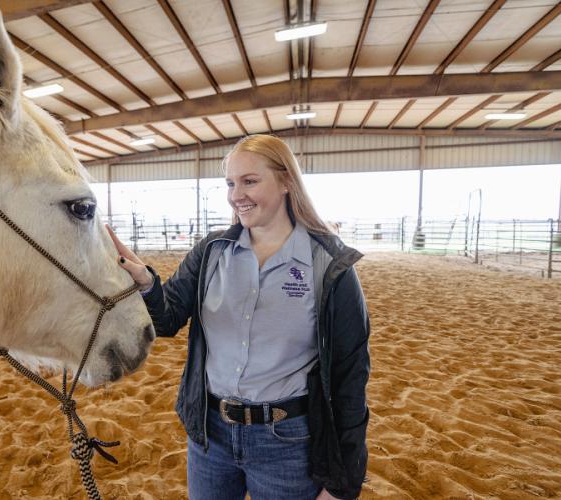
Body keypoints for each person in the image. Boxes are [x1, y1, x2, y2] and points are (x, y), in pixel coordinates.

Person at [107, 134, 370, 500]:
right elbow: (167, 320)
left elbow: (350, 375)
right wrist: (146, 283)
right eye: (230, 183)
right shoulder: (212, 252)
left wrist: (343, 482)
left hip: (288, 442)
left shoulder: (329, 265)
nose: (236, 195)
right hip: (210, 435)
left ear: (285, 182)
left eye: (249, 181)